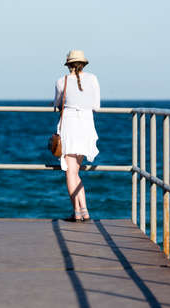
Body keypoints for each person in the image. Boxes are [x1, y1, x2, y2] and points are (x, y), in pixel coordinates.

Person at [53, 50, 100, 222]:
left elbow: (58, 104)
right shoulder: (93, 79)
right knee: (75, 171)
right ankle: (84, 210)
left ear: (68, 65)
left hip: (70, 126)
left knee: (70, 172)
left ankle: (76, 211)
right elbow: (96, 105)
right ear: (84, 64)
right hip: (86, 125)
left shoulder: (61, 81)